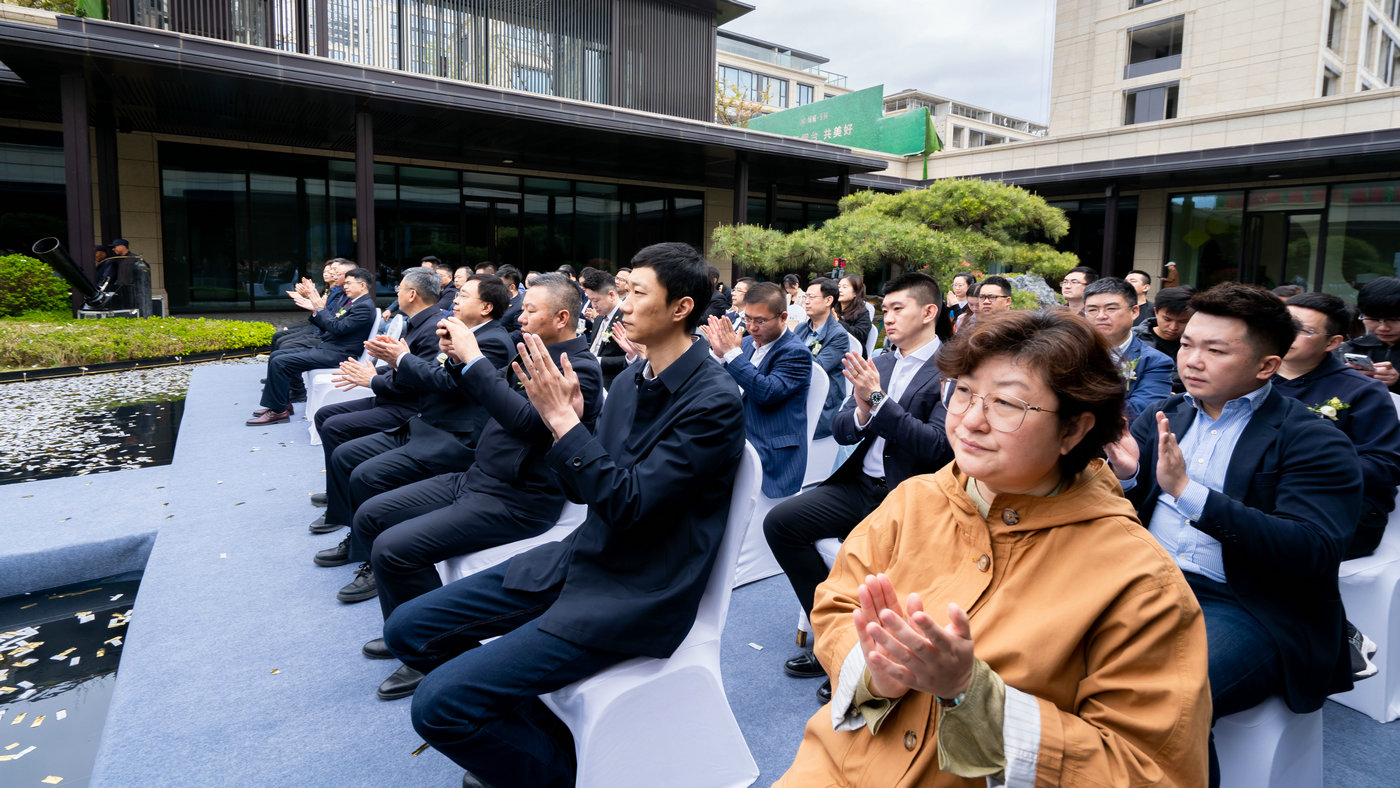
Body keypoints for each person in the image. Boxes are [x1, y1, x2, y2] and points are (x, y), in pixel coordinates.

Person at [777, 309, 1211, 787]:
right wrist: (876, 672)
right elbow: (837, 604)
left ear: (1074, 430)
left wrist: (971, 694)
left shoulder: (1140, 579)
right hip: (835, 767)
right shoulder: (915, 499)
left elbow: (1148, 770)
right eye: (963, 392)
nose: (969, 422)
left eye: (1007, 404)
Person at [381, 243, 744, 788]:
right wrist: (566, 428)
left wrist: (566, 427)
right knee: (408, 629)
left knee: (437, 706)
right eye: (622, 292)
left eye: (635, 293)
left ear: (681, 308)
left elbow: (628, 505)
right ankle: (540, 743)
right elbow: (587, 491)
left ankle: (554, 773)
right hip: (581, 557)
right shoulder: (631, 380)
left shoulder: (714, 401)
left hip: (634, 592)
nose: (620, 305)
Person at [1109, 283, 1361, 787]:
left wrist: (1187, 492)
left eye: (1216, 350)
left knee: (1168, 702)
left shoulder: (1312, 439)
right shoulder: (1168, 417)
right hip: (1150, 581)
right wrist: (1131, 478)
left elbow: (1312, 549)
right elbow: (1127, 511)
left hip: (1248, 604)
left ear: (1266, 366)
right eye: (1187, 345)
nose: (1192, 360)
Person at [346, 274, 604, 695]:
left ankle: (434, 652)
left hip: (518, 499)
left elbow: (527, 424)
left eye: (531, 310)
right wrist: (455, 359)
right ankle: (408, 633)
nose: (520, 315)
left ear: (561, 318)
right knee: (372, 515)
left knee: (393, 550)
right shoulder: (530, 350)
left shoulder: (580, 370)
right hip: (476, 477)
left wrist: (476, 360)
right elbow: (479, 392)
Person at [765, 272, 954, 701]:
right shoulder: (882, 362)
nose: (886, 317)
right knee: (781, 524)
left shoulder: (950, 369)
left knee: (873, 560)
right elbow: (841, 427)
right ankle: (831, 636)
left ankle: (864, 659)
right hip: (861, 484)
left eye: (897, 309)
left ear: (929, 312)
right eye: (884, 309)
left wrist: (878, 402)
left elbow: (938, 447)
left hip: (907, 496)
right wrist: (865, 412)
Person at [310, 275, 513, 551]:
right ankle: (355, 534)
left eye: (464, 295)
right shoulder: (458, 330)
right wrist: (399, 362)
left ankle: (370, 553)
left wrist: (402, 360)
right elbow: (433, 372)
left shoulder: (493, 341)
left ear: (486, 308)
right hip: (423, 423)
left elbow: (448, 384)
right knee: (345, 455)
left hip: (452, 437)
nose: (455, 299)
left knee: (367, 475)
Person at [307, 267, 444, 520]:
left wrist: (372, 381)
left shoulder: (434, 328)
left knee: (335, 426)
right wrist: (376, 371)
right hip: (394, 394)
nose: (396, 293)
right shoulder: (418, 323)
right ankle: (338, 488)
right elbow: (402, 365)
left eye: (399, 289)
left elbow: (422, 381)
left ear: (412, 294)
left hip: (410, 407)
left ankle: (341, 511)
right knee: (325, 415)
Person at [1276, 292, 1400, 559]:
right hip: (1259, 496)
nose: (1286, 335)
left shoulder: (1362, 390)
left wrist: (1305, 468)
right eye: (1282, 325)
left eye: (1301, 330)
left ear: (1333, 342)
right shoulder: (1250, 376)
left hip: (1337, 507)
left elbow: (1385, 465)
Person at [700, 281, 812, 499]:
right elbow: (717, 383)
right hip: (734, 437)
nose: (752, 327)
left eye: (760, 321)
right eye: (748, 319)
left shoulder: (795, 353)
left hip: (768, 446)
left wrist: (731, 354)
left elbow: (766, 392)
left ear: (783, 318)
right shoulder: (746, 343)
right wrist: (719, 355)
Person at [248, 267, 376, 425]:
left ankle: (278, 411)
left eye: (349, 283)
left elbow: (338, 328)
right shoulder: (355, 303)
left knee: (280, 362)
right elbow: (334, 324)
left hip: (339, 354)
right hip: (329, 347)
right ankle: (282, 403)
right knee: (276, 356)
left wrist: (320, 308)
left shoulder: (363, 306)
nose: (346, 286)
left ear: (362, 285)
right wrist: (317, 309)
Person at [1083, 276, 1173, 421]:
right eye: (1092, 310)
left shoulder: (1155, 362)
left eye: (1111, 308)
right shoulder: (1069, 352)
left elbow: (1141, 411)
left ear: (1134, 311)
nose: (1101, 316)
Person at [794, 278, 850, 440]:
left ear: (828, 300)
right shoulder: (802, 328)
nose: (807, 302)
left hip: (819, 401)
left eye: (812, 297)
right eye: (806, 297)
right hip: (798, 391)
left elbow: (815, 370)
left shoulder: (838, 335)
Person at [1340, 276, 1400, 393]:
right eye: (1373, 319)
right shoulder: (1350, 349)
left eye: (1394, 319)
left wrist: (1397, 381)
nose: (1383, 328)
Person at [1132, 285, 1195, 393]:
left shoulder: (1199, 345)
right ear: (1156, 312)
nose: (1173, 327)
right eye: (1167, 319)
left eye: (1183, 321)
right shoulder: (1133, 338)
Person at [580, 269, 629, 386]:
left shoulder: (626, 318)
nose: (593, 305)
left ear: (611, 295)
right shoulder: (599, 317)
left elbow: (631, 359)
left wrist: (598, 361)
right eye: (590, 300)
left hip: (611, 382)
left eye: (595, 300)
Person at [836, 273, 873, 354]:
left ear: (855, 293)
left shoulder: (862, 313)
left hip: (852, 354)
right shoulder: (833, 309)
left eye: (844, 287)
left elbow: (859, 335)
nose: (840, 290)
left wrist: (838, 321)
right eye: (839, 287)